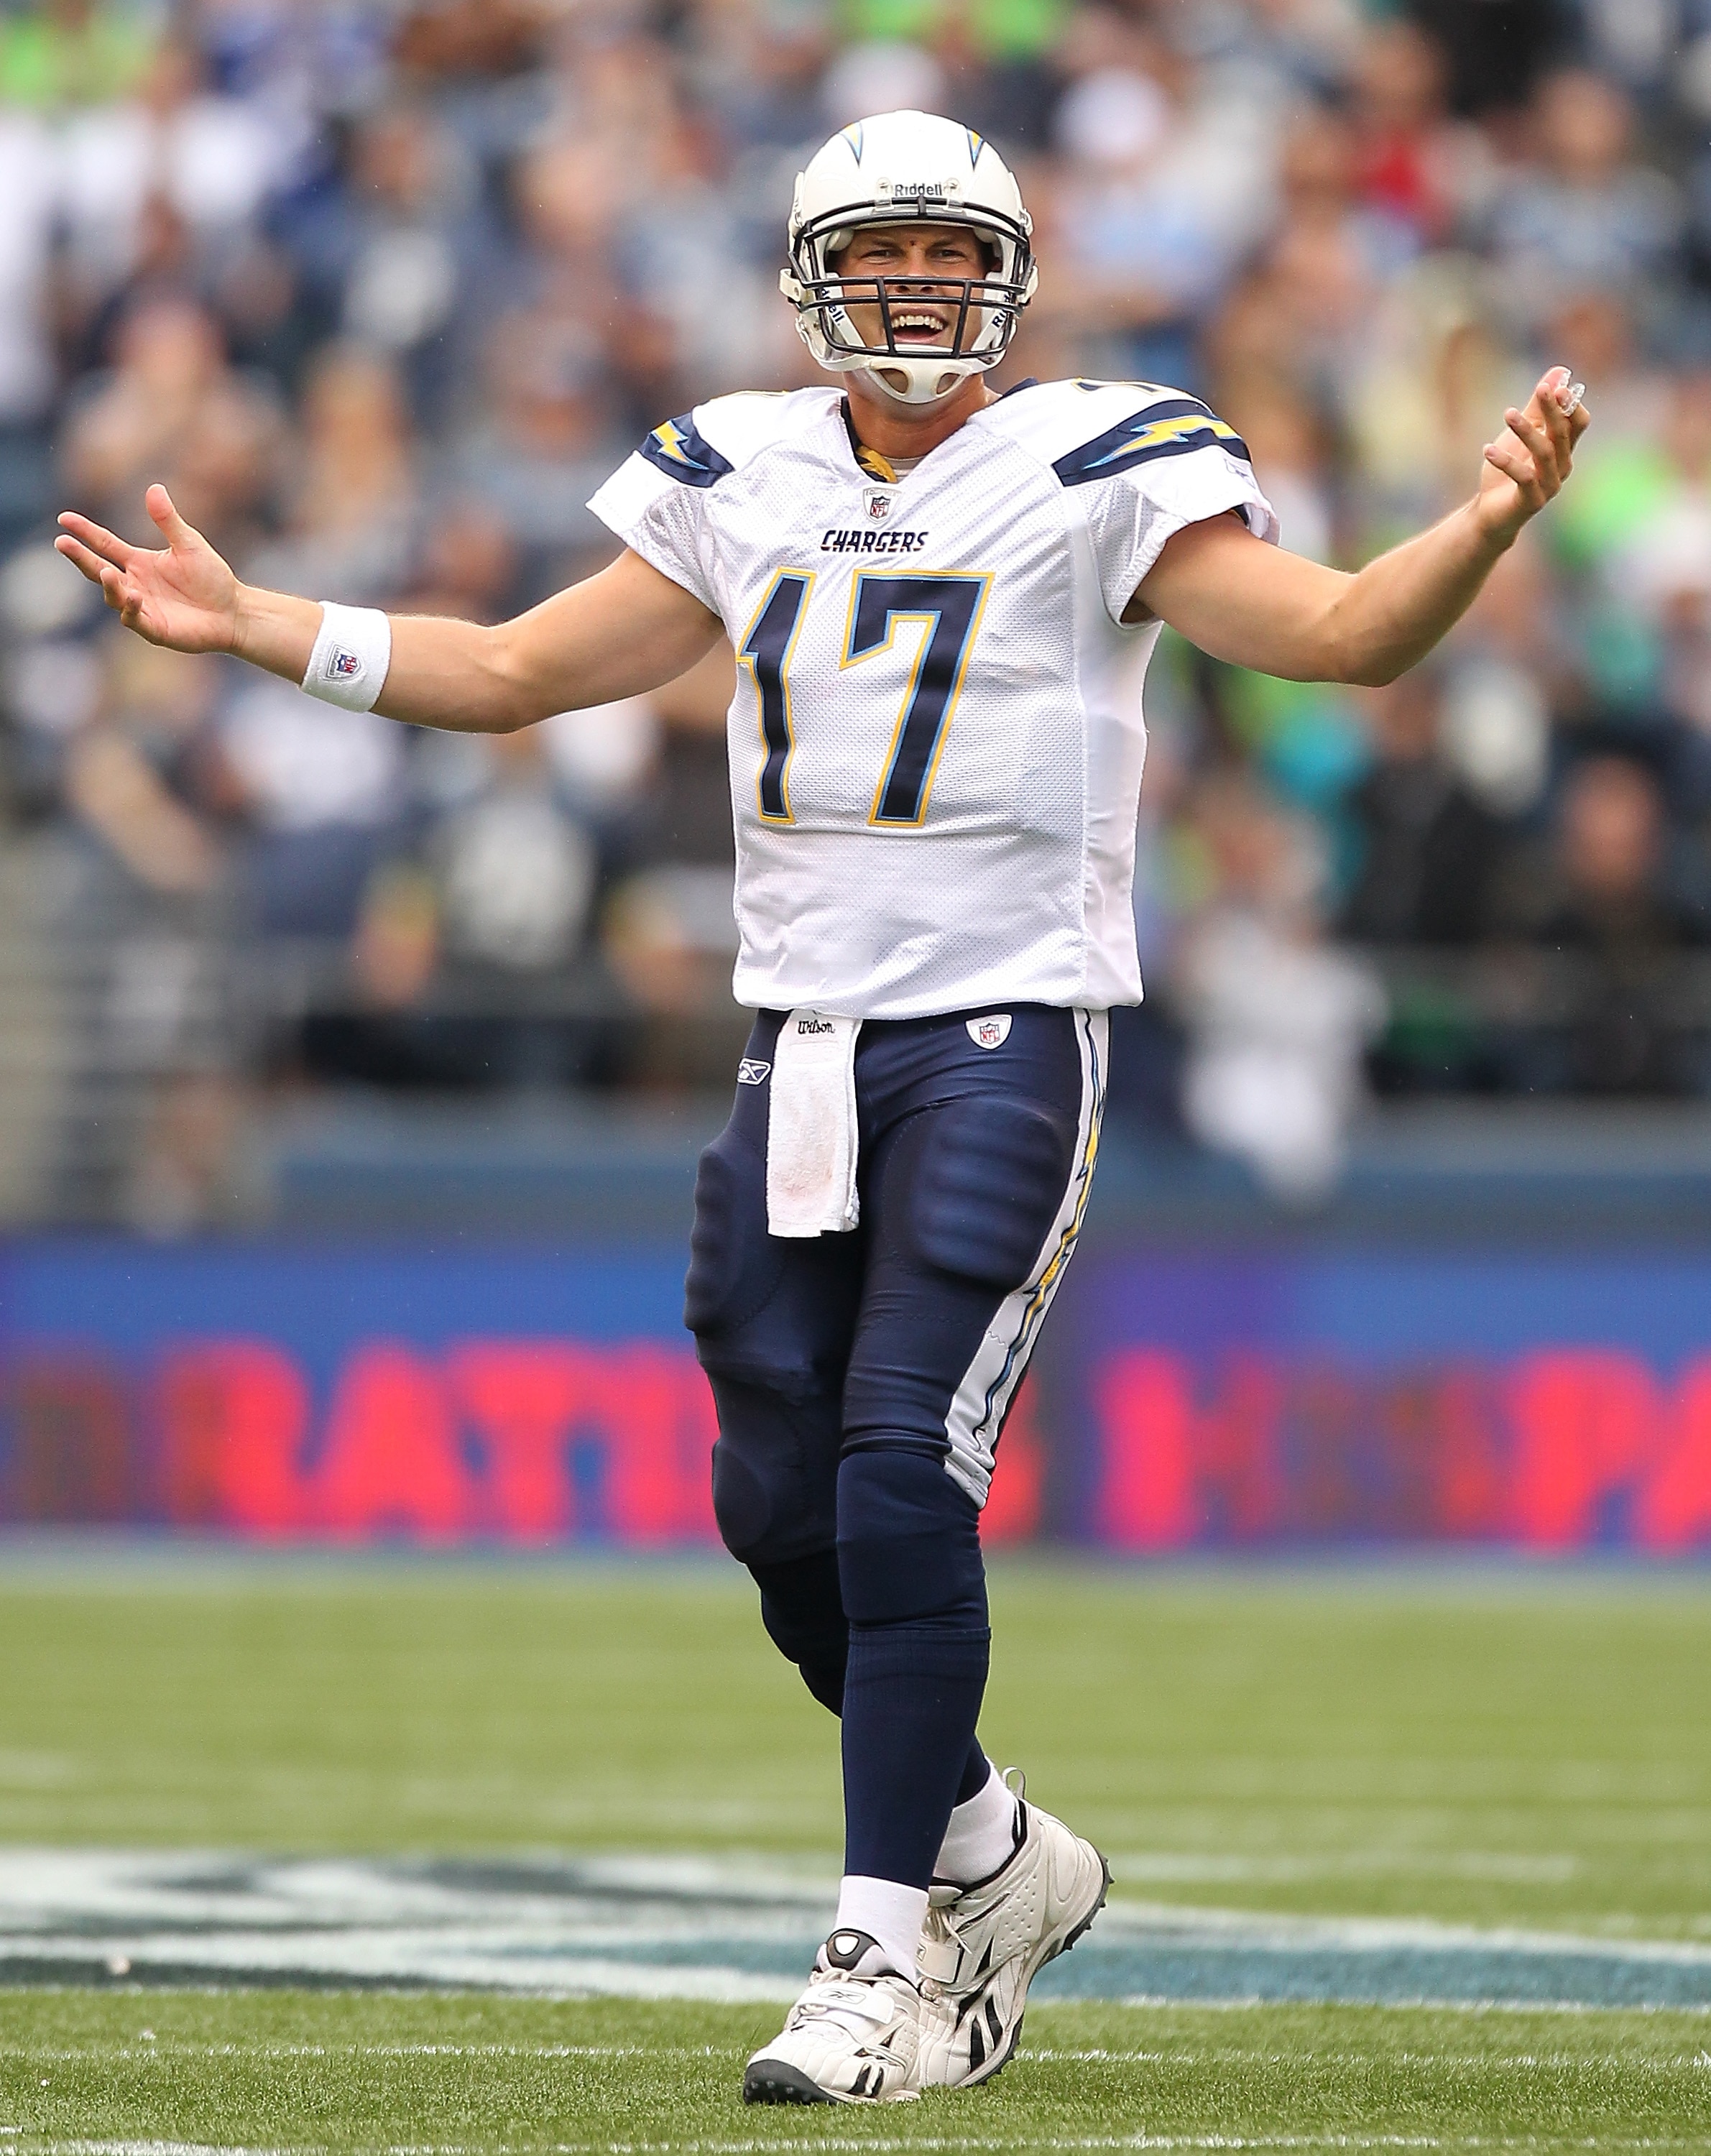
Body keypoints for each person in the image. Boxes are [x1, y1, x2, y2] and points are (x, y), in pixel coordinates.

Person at [56, 109, 1587, 2105]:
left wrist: (1472, 531)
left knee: (893, 1465)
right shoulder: (740, 464)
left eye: (960, 258)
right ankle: (988, 1851)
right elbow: (517, 669)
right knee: (775, 1506)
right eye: (891, 253)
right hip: (800, 1049)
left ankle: (885, 1961)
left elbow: (1341, 640)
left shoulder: (1097, 463)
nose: (926, 290)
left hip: (1003, 1033)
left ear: (1014, 282)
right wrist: (269, 628)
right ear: (812, 278)